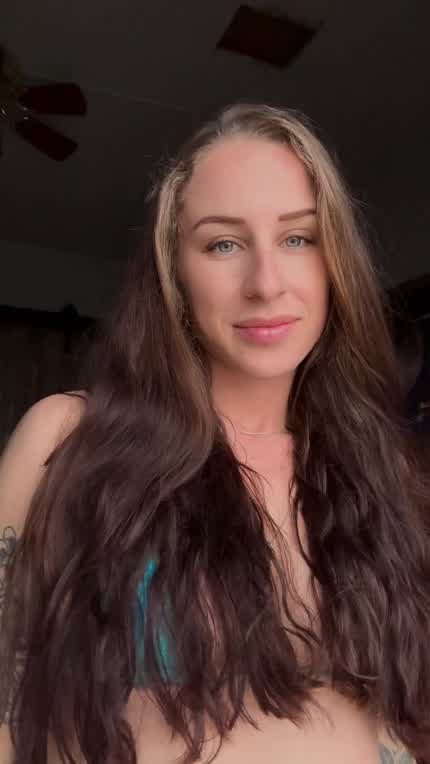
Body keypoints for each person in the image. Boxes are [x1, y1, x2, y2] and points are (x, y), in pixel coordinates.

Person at [1, 103, 429, 764]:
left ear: (334, 261)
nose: (265, 283)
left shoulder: (383, 470)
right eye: (223, 243)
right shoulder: (66, 439)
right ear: (175, 271)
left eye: (298, 238)